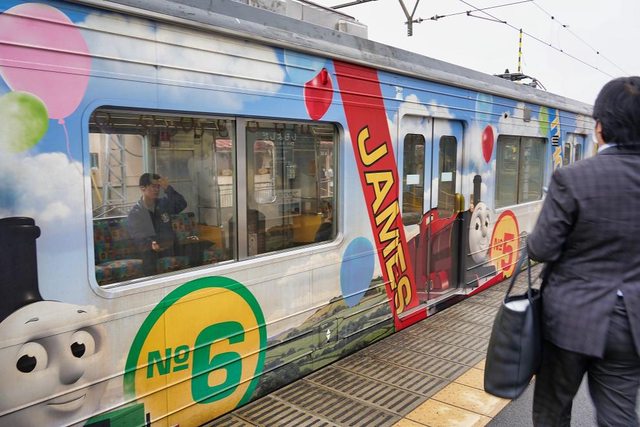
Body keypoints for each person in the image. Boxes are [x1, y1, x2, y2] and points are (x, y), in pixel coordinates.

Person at [527, 77, 640, 426]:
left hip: (569, 320)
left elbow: (541, 248)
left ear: (600, 126)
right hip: (631, 324)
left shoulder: (573, 177)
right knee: (619, 415)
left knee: (552, 410)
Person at [127, 173, 187, 275]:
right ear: (142, 188)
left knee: (194, 250)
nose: (157, 190)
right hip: (151, 251)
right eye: (153, 186)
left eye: (158, 187)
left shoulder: (163, 204)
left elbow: (182, 204)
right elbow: (137, 235)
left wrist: (167, 188)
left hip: (170, 247)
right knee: (148, 257)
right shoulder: (136, 212)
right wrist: (151, 244)